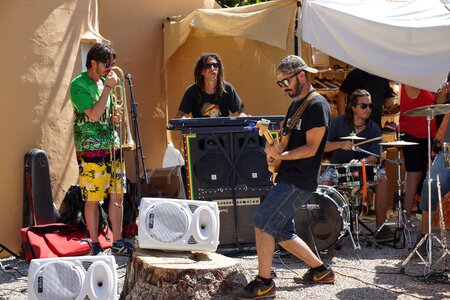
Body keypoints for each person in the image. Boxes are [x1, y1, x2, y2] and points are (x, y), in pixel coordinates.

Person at [235, 55, 333, 300]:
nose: (283, 87)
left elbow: (311, 148)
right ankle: (321, 270)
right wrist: (274, 156)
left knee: (262, 223)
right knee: (282, 233)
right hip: (289, 175)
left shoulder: (317, 105)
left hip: (299, 179)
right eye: (279, 84)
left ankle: (264, 282)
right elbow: (286, 142)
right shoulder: (296, 105)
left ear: (301, 75)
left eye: (285, 82)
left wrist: (283, 156)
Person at [70, 43, 134, 256]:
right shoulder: (79, 85)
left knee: (117, 196)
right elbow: (94, 115)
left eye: (112, 64)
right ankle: (94, 243)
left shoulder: (102, 84)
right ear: (93, 62)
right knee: (93, 198)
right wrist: (107, 88)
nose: (110, 68)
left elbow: (105, 116)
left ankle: (117, 240)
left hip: (112, 147)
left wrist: (115, 118)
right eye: (106, 64)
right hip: (91, 150)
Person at [320, 89, 393, 243]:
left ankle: (380, 227)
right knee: (324, 184)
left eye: (370, 106)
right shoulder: (337, 123)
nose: (368, 109)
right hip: (338, 168)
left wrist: (362, 163)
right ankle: (327, 229)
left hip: (364, 169)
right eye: (363, 106)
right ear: (353, 107)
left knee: (382, 179)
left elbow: (375, 156)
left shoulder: (374, 128)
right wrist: (340, 144)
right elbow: (323, 147)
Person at [418, 71, 450, 250]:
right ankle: (425, 238)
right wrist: (443, 94)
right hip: (449, 147)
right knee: (431, 185)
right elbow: (440, 103)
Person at [398, 84, 437, 225]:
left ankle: (426, 214)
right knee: (413, 175)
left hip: (429, 134)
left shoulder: (427, 82)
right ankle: (405, 215)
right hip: (412, 134)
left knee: (428, 175)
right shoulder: (412, 81)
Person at [175, 53, 248, 118]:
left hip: (223, 132)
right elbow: (179, 115)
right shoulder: (192, 91)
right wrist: (184, 119)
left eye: (215, 65)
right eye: (208, 66)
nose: (212, 68)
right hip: (199, 132)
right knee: (189, 134)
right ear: (201, 71)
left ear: (219, 70)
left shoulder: (227, 88)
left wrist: (242, 115)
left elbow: (242, 110)